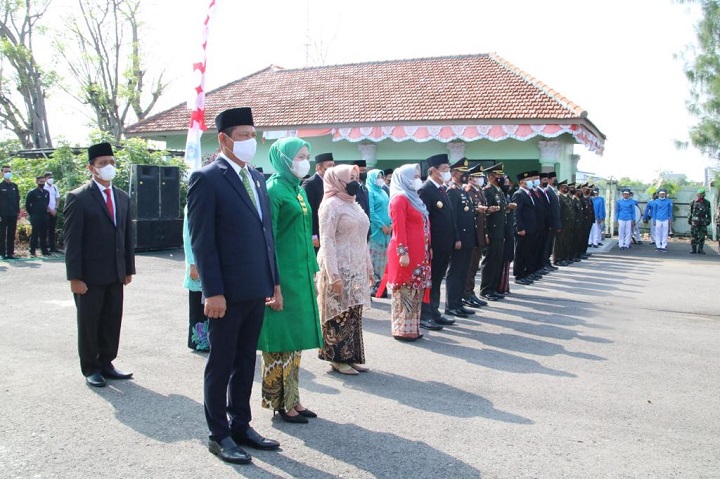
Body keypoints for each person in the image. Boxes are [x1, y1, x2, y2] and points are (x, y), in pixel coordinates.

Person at [187, 107, 281, 465]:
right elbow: (203, 241)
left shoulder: (256, 177)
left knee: (245, 362)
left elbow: (266, 236)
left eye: (253, 135)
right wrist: (212, 291)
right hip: (224, 293)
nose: (250, 141)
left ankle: (241, 425)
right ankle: (219, 435)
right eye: (243, 135)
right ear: (224, 139)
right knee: (221, 363)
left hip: (256, 288)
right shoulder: (206, 178)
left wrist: (274, 282)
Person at [257, 137, 323, 424]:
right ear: (283, 159)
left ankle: (293, 398)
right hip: (281, 278)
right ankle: (278, 402)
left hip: (300, 275)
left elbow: (305, 233)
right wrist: (273, 285)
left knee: (294, 340)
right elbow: (267, 241)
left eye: (307, 156)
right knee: (278, 340)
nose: (304, 162)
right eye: (299, 156)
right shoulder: (273, 190)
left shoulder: (298, 189)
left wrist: (312, 269)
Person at [63, 142, 135, 388]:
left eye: (112, 162)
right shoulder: (79, 197)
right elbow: (72, 242)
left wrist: (128, 269)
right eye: (103, 163)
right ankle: (91, 367)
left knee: (112, 319)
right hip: (89, 276)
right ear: (91, 167)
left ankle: (107, 362)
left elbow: (126, 235)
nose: (108, 167)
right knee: (89, 322)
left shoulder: (122, 197)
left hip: (115, 272)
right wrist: (75, 277)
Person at [317, 164, 373, 375]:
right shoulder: (330, 205)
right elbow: (327, 240)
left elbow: (361, 238)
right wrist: (333, 275)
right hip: (338, 267)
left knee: (352, 313)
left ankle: (350, 356)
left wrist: (368, 268)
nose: (354, 182)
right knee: (338, 314)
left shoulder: (354, 204)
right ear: (337, 180)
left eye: (356, 177)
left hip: (356, 267)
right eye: (350, 177)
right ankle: (336, 359)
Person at [384, 163, 431, 341]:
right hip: (406, 253)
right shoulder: (399, 199)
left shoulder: (415, 198)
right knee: (404, 289)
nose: (417, 180)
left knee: (416, 289)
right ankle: (402, 329)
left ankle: (413, 328)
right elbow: (399, 229)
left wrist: (428, 248)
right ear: (404, 178)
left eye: (418, 176)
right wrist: (403, 252)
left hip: (420, 252)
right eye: (414, 177)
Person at [418, 153, 458, 330]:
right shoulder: (426, 190)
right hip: (434, 246)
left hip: (445, 244)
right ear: (434, 170)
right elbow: (424, 221)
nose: (447, 172)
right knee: (429, 280)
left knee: (437, 279)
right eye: (445, 169)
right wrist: (428, 245)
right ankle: (425, 315)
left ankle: (434, 311)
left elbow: (450, 217)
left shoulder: (441, 188)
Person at [445, 158, 477, 317]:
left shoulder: (461, 190)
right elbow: (453, 218)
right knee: (455, 272)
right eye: (463, 172)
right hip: (460, 239)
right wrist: (456, 238)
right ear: (454, 173)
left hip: (468, 238)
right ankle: (451, 305)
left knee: (463, 271)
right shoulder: (452, 191)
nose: (466, 175)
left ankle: (459, 303)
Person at [463, 163, 490, 307]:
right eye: (478, 177)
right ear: (471, 178)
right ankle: (466, 293)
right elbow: (467, 211)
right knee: (468, 268)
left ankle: (470, 292)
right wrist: (476, 210)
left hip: (479, 234)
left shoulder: (479, 191)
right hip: (472, 234)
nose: (481, 179)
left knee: (474, 266)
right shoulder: (468, 191)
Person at [182, 205, 208, 352]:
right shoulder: (192, 203)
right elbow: (188, 235)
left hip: (208, 263)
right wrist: (192, 263)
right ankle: (199, 342)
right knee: (198, 304)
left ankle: (209, 340)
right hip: (196, 263)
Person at [479, 163, 507, 300]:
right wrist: (486, 233)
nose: (501, 178)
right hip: (492, 231)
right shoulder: (487, 191)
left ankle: (494, 287)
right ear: (490, 177)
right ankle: (486, 290)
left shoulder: (498, 190)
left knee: (497, 260)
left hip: (500, 231)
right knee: (490, 261)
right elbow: (485, 214)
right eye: (498, 175)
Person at [302, 152, 335, 252]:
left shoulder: (332, 182)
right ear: (319, 168)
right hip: (317, 232)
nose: (332, 169)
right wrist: (313, 234)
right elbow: (308, 210)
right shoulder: (310, 183)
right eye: (329, 166)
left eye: (333, 165)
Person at [367, 169, 392, 296]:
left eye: (381, 176)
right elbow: (371, 212)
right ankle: (374, 286)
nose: (380, 179)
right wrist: (382, 226)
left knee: (384, 260)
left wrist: (391, 224)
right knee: (374, 259)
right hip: (376, 230)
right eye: (377, 176)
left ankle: (382, 287)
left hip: (387, 230)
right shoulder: (369, 191)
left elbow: (389, 208)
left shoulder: (383, 191)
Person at [512, 171, 538, 285]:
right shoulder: (519, 194)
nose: (531, 182)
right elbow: (516, 213)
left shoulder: (529, 193)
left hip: (530, 228)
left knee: (527, 251)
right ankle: (519, 275)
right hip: (523, 229)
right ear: (522, 182)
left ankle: (525, 273)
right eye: (528, 180)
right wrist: (519, 228)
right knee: (520, 252)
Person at [25, 175, 50, 257]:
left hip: (44, 215)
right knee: (35, 233)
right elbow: (27, 205)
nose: (42, 183)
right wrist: (32, 214)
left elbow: (47, 203)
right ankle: (32, 250)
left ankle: (44, 250)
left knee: (44, 233)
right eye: (41, 182)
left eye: (43, 182)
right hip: (35, 216)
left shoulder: (46, 192)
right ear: (36, 182)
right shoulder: (32, 193)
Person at [0, 165, 20, 260]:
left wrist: (18, 212)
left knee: (11, 234)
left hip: (13, 213)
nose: (7, 173)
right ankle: (2, 253)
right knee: (2, 234)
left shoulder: (14, 186)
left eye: (9, 171)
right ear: (2, 173)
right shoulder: (0, 186)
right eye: (5, 171)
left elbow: (17, 200)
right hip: (2, 214)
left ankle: (10, 253)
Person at [688, 188, 711, 254]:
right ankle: (693, 249)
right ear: (697, 194)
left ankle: (700, 249)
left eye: (702, 194)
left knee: (702, 236)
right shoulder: (693, 202)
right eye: (699, 194)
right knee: (694, 235)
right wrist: (689, 219)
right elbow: (690, 212)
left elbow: (708, 212)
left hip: (703, 221)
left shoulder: (707, 202)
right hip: (695, 221)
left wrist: (708, 220)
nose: (701, 195)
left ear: (704, 194)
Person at [44, 171, 61, 253]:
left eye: (52, 177)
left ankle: (53, 247)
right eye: (49, 177)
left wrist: (56, 209)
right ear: (45, 178)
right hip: (46, 211)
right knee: (45, 229)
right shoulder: (44, 187)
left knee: (52, 229)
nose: (51, 179)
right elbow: (44, 201)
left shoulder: (54, 187)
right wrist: (50, 210)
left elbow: (57, 198)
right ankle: (44, 247)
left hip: (54, 211)